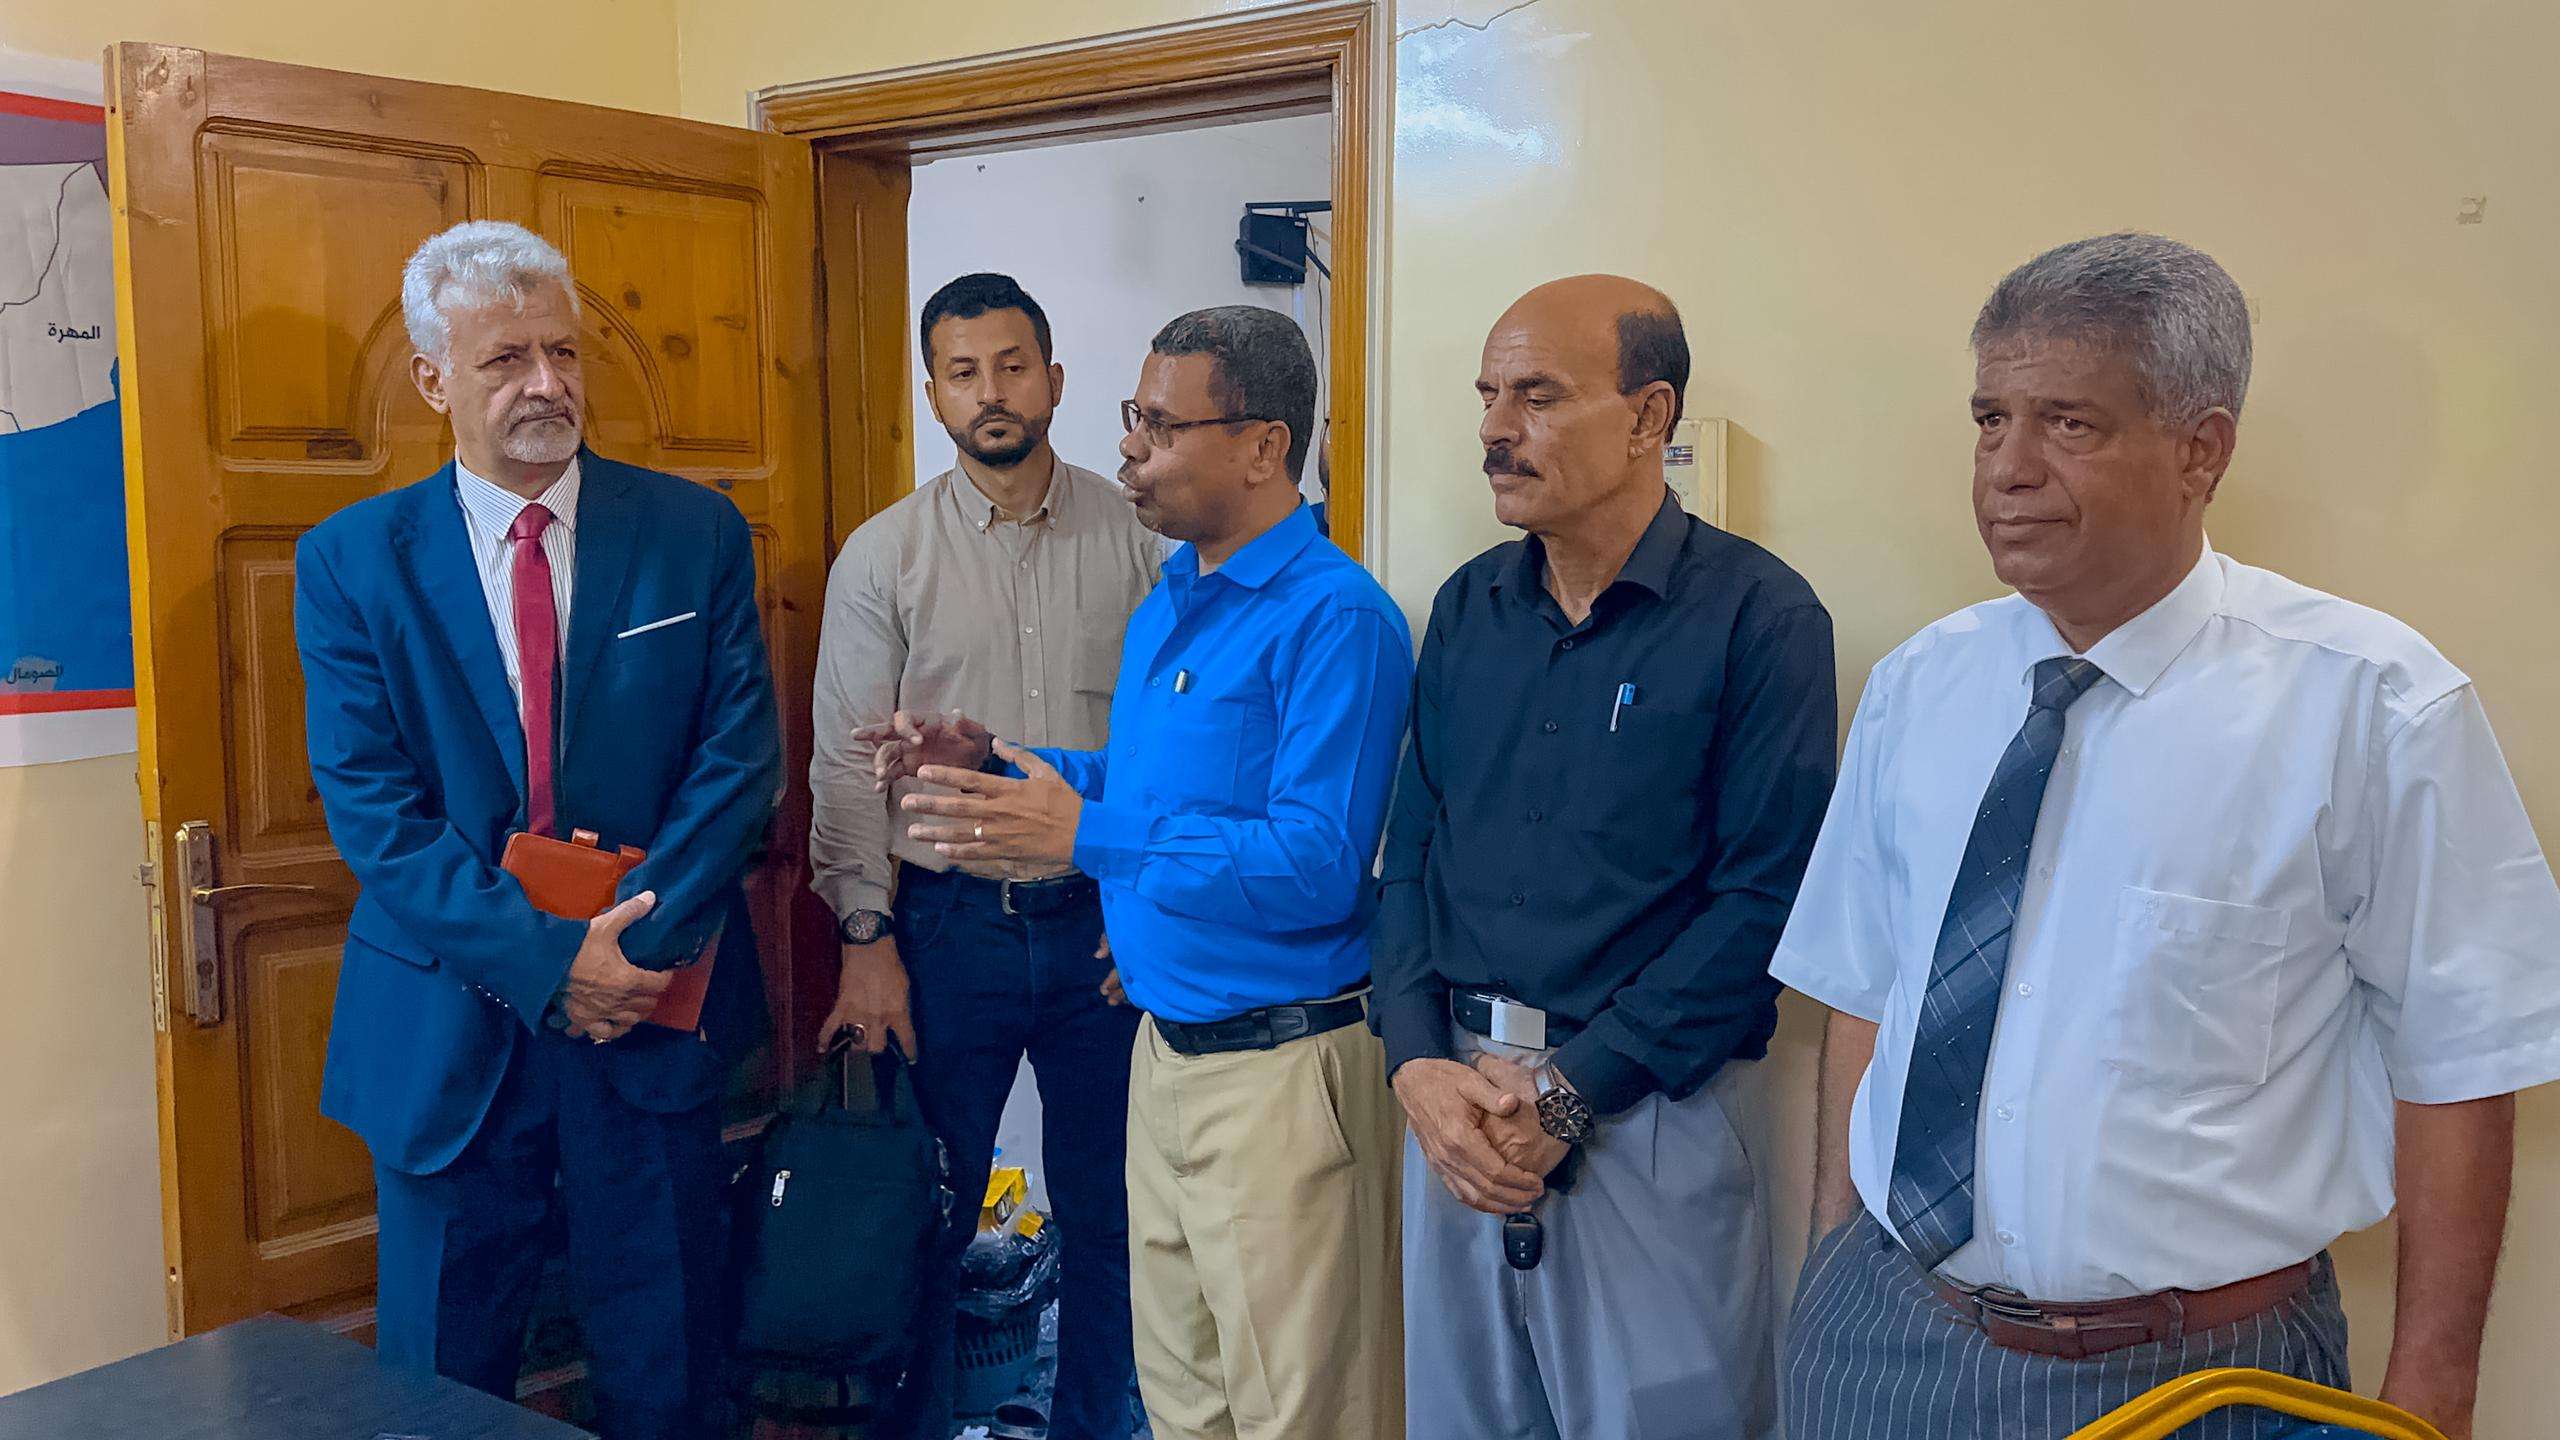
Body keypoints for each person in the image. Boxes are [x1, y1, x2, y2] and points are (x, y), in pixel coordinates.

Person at [1775, 232, 2560, 1440]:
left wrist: (2431, 1400)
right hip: (1884, 1342)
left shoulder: (2373, 707)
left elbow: (2459, 1067)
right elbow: (1865, 993)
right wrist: (1831, 1265)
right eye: (1989, 421)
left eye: (2067, 424)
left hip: (2202, 1377)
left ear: (2202, 449)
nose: (2007, 470)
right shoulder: (1919, 686)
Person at [868, 305, 1414, 1440]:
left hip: (1280, 1077)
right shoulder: (1172, 597)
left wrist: (1083, 837)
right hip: (1162, 1060)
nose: (1129, 448)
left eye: (1162, 427)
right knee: (1181, 1405)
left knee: (1296, 1417)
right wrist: (996, 759)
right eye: (1133, 416)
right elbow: (1145, 785)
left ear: (1263, 447)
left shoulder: (1338, 619)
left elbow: (1316, 865)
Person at [294, 221, 779, 1440]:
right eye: (505, 358)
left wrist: (628, 956)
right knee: (439, 1385)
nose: (546, 383)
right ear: (433, 380)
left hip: (651, 1011)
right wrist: (553, 963)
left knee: (667, 1370)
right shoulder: (351, 562)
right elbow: (372, 807)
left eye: (562, 352)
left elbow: (738, 764)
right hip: (447, 1024)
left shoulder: (693, 533)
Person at [1372, 275, 1836, 1440]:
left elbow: (1764, 901)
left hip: (1645, 1111)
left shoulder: (1760, 617)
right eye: (1487, 395)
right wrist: (1415, 1062)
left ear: (1647, 416)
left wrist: (1573, 1093)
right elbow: (1411, 854)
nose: (1493, 428)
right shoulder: (1467, 608)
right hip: (1458, 1112)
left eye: (1536, 396)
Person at [807, 272, 1158, 1440]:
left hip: (1103, 928)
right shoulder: (884, 557)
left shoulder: (1141, 540)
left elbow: (1174, 750)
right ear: (933, 395)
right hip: (947, 930)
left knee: (1113, 1215)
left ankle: (1095, 1424)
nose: (990, 392)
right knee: (926, 1209)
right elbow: (846, 768)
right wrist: (865, 940)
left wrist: (1150, 914)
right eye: (963, 373)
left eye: (1012, 366)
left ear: (1053, 380)